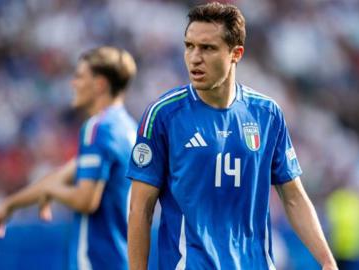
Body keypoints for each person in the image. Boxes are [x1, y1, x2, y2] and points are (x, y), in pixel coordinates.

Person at [126, 2, 338, 270]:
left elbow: (294, 196)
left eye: (208, 48)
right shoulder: (164, 115)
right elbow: (140, 209)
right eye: (189, 46)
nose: (194, 57)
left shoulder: (266, 114)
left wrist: (328, 262)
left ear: (236, 53)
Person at [0, 46, 138, 270]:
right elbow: (62, 175)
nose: (73, 83)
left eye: (80, 77)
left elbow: (86, 199)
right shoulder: (128, 128)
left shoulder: (97, 128)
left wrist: (51, 192)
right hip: (119, 257)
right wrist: (9, 206)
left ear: (100, 84)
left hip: (96, 260)